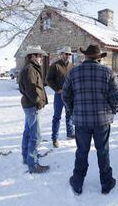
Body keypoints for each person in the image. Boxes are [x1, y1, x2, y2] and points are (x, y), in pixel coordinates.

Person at [63, 44, 118, 195]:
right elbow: (115, 96)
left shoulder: (73, 72)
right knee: (103, 151)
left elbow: (66, 95)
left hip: (81, 120)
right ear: (99, 58)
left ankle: (77, 182)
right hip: (102, 120)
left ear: (85, 56)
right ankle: (106, 183)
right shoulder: (107, 72)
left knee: (82, 151)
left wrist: (72, 111)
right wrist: (113, 110)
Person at [18, 45, 50, 174]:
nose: (41, 58)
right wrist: (38, 102)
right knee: (35, 136)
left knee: (28, 132)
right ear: (32, 56)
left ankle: (28, 157)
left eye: (41, 55)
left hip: (29, 105)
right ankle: (33, 164)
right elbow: (31, 89)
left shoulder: (30, 68)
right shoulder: (30, 69)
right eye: (39, 55)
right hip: (32, 106)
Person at [46, 46, 75, 148]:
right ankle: (54, 138)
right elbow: (48, 79)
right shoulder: (55, 66)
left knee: (69, 115)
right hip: (59, 95)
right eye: (66, 54)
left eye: (69, 54)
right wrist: (57, 89)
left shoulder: (72, 66)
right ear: (61, 54)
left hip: (69, 95)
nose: (67, 56)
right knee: (57, 117)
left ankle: (70, 133)